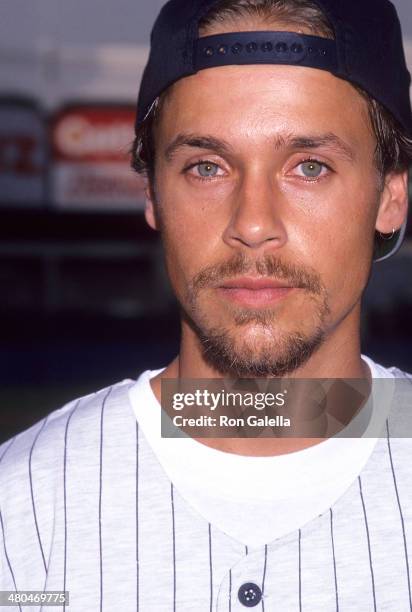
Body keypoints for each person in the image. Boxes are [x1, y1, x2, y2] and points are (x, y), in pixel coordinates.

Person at [1, 0, 412, 609]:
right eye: (206, 166)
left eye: (309, 166)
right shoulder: (24, 504)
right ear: (152, 195)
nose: (252, 223)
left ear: (390, 197)